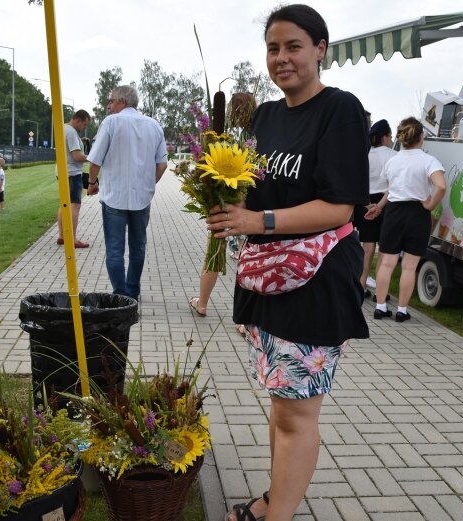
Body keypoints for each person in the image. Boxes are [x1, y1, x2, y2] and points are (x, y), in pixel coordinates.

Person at [205, 6, 370, 520]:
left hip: (316, 280)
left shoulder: (340, 110)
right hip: (271, 278)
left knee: (297, 414)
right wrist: (220, 194)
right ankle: (273, 501)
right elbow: (257, 190)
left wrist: (258, 223)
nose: (282, 58)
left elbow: (340, 204)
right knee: (281, 407)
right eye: (273, 48)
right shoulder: (266, 117)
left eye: (294, 46)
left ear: (321, 48)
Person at [86, 86, 167, 301]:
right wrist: (149, 183)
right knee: (138, 247)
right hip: (142, 197)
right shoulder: (154, 125)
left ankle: (120, 295)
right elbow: (162, 164)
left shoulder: (111, 123)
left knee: (115, 249)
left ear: (122, 101)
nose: (109, 106)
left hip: (114, 196)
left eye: (111, 101)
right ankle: (133, 292)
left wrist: (92, 183)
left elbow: (94, 161)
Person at [367, 117, 446, 322]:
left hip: (393, 213)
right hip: (417, 214)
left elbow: (391, 190)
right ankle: (402, 310)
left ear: (402, 138)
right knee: (409, 266)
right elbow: (441, 186)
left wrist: (380, 207)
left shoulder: (393, 160)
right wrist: (430, 205)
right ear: (421, 136)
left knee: (386, 264)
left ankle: (381, 307)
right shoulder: (428, 160)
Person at [190, 93, 256, 319]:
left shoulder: (227, 136)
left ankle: (203, 304)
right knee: (246, 260)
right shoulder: (260, 134)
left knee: (216, 251)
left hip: (229, 205)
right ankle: (243, 318)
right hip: (252, 207)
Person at [354, 119, 395, 299]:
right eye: (391, 136)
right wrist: (379, 206)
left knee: (368, 246)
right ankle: (381, 290)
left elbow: (356, 181)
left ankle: (361, 285)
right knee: (384, 248)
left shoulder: (365, 154)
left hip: (365, 200)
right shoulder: (393, 155)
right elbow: (393, 185)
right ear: (385, 136)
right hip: (385, 201)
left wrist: (366, 204)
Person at [56, 109, 91, 248]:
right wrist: (93, 157)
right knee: (74, 205)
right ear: (78, 120)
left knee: (64, 204)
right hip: (72, 173)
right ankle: (73, 239)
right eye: (85, 125)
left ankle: (62, 236)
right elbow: (77, 156)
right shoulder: (71, 132)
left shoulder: (63, 128)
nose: (84, 128)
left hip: (62, 171)